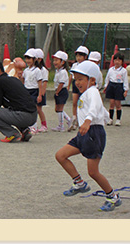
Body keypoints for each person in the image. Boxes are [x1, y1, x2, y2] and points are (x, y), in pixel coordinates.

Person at [55, 61, 122, 212]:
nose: (77, 82)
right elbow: (101, 110)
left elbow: (94, 108)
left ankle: (112, 196)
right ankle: (79, 183)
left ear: (92, 80)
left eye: (81, 79)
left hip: (93, 133)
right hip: (84, 133)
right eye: (76, 79)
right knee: (60, 155)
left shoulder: (93, 92)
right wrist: (103, 117)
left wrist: (88, 121)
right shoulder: (87, 94)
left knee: (93, 172)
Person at [0, 61, 37, 143]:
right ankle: (25, 131)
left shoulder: (0, 81)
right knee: (11, 109)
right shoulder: (13, 79)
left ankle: (12, 134)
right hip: (33, 116)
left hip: (23, 116)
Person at [103, 52, 129, 126]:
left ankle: (118, 119)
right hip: (111, 86)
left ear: (122, 61)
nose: (117, 62)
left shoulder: (123, 71)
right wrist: (106, 86)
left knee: (118, 104)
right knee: (111, 103)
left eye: (119, 60)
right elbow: (107, 78)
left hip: (119, 86)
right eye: (115, 60)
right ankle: (110, 119)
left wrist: (126, 90)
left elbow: (125, 81)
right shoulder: (111, 69)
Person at [68, 45, 89, 131]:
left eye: (80, 56)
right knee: (74, 102)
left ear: (85, 57)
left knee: (82, 102)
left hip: (83, 84)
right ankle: (74, 118)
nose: (78, 58)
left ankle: (82, 119)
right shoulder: (74, 65)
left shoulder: (87, 65)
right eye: (77, 56)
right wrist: (68, 85)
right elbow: (71, 76)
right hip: (75, 83)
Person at [52, 50, 72, 132]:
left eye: (57, 60)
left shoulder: (63, 72)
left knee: (60, 108)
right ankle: (69, 119)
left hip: (62, 91)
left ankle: (61, 126)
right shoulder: (58, 71)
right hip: (59, 90)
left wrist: (57, 92)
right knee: (57, 109)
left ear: (63, 62)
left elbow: (61, 83)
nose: (54, 62)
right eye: (54, 60)